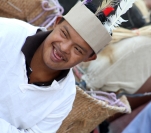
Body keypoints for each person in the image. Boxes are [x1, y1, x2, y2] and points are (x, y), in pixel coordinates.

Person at [0, 1, 116, 132]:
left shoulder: (64, 97)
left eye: (77, 49)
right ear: (57, 22)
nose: (64, 48)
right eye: (64, 34)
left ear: (89, 58)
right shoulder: (7, 32)